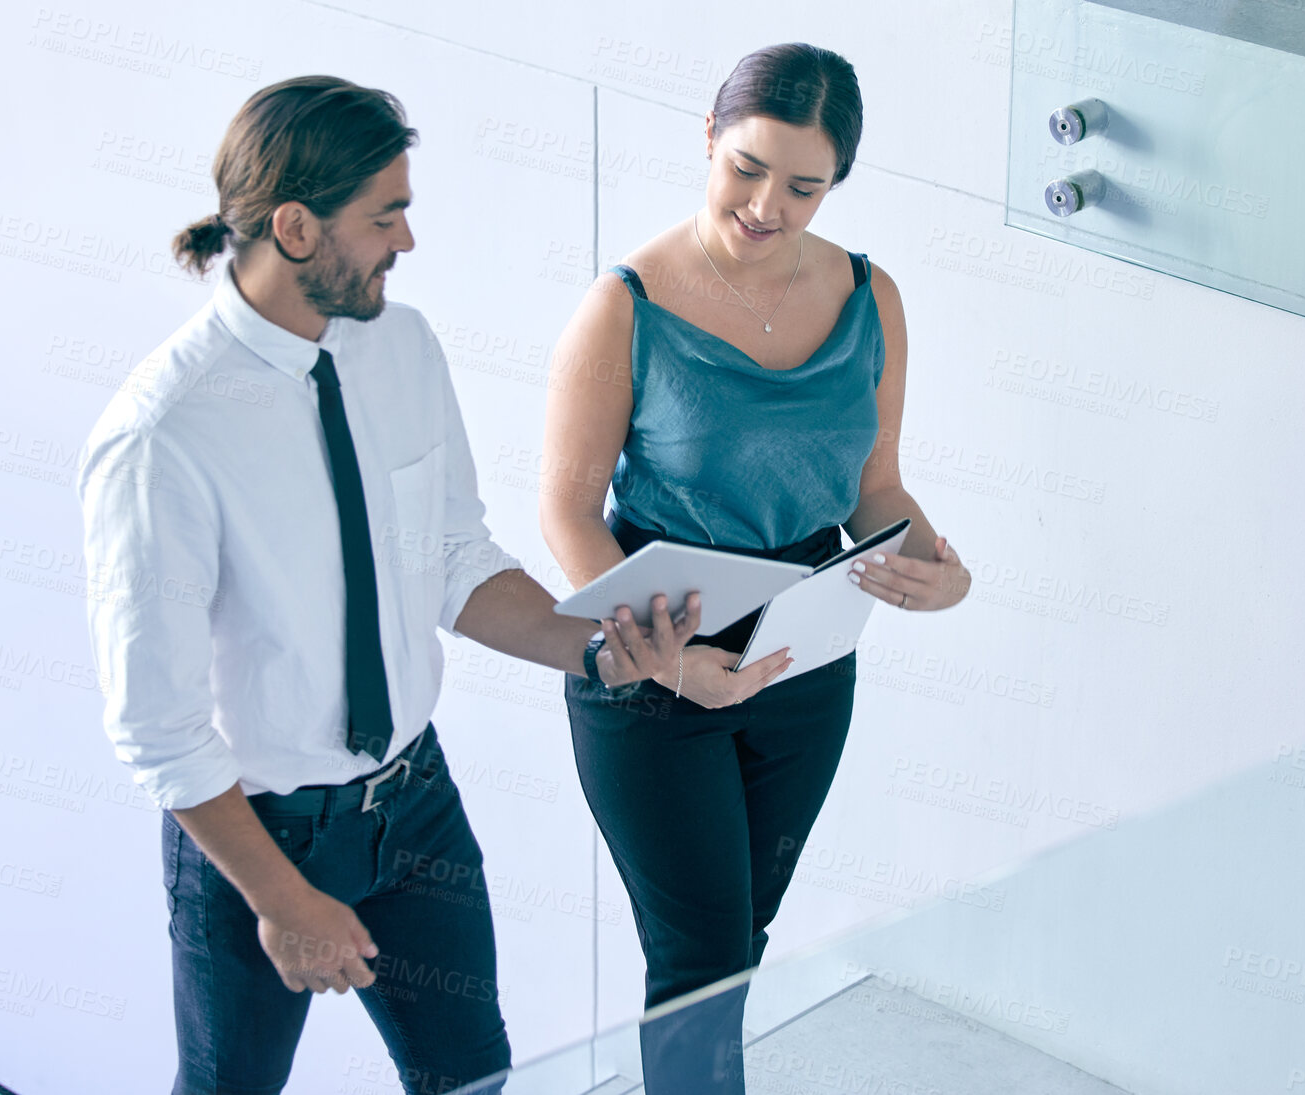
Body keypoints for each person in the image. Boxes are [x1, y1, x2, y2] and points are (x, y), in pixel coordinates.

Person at [76, 76, 702, 1095]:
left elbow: (454, 561)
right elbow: (157, 727)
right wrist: (281, 900)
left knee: (472, 1076)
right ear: (292, 226)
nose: (404, 242)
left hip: (416, 806)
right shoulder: (162, 437)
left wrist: (593, 646)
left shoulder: (401, 349)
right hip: (257, 833)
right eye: (384, 216)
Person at [539, 43, 972, 1093]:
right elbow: (564, 510)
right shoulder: (626, 304)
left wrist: (942, 569)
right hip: (655, 653)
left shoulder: (873, 297)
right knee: (696, 962)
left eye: (802, 185)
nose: (765, 205)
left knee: (743, 938)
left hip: (803, 657)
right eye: (745, 168)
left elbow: (876, 488)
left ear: (837, 184)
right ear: (706, 139)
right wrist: (664, 659)